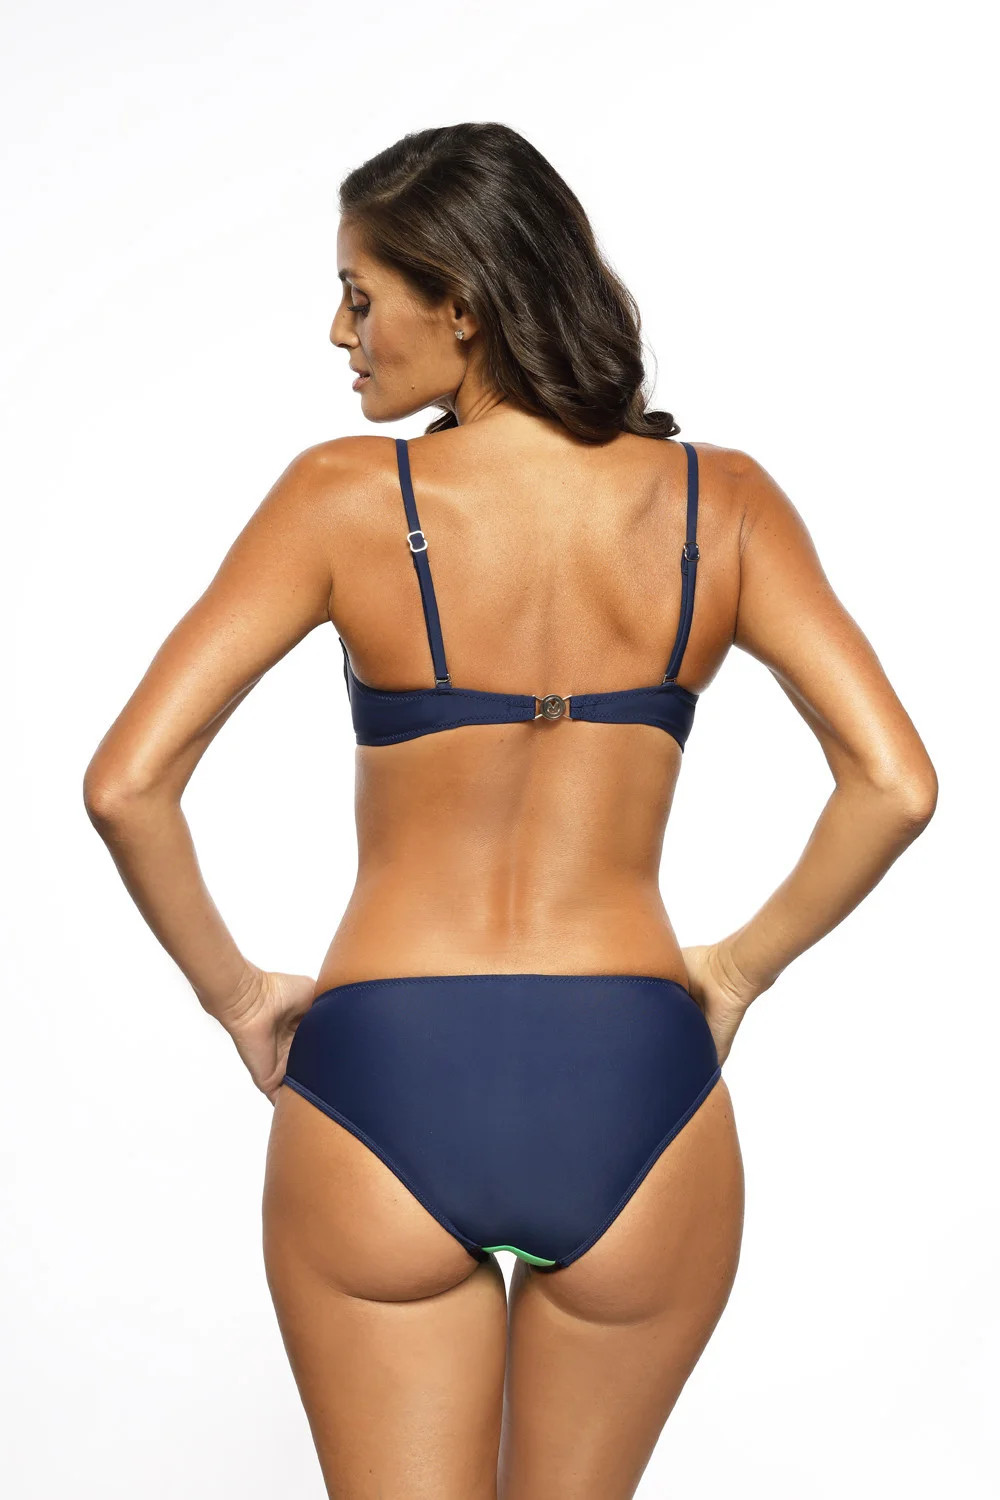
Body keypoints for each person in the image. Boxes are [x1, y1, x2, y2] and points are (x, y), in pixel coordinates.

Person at [83, 122, 938, 1500]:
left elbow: (126, 784)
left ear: (463, 304)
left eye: (360, 294)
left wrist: (239, 999)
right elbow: (895, 783)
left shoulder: (341, 498)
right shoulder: (723, 504)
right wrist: (734, 972)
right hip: (639, 1083)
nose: (339, 332)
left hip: (385, 1076)